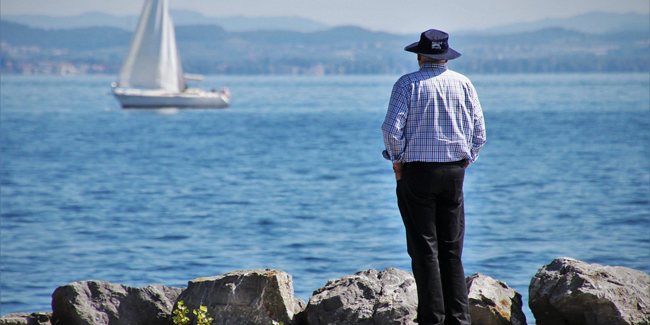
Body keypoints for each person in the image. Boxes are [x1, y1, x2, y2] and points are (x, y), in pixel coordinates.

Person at [381, 29, 486, 325]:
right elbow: (480, 133)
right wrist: (466, 160)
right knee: (452, 251)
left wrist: (398, 161)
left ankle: (433, 320)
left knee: (424, 250)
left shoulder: (407, 84)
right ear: (445, 56)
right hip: (454, 173)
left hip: (417, 173)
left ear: (420, 55)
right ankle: (459, 319)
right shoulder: (464, 83)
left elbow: (390, 130)